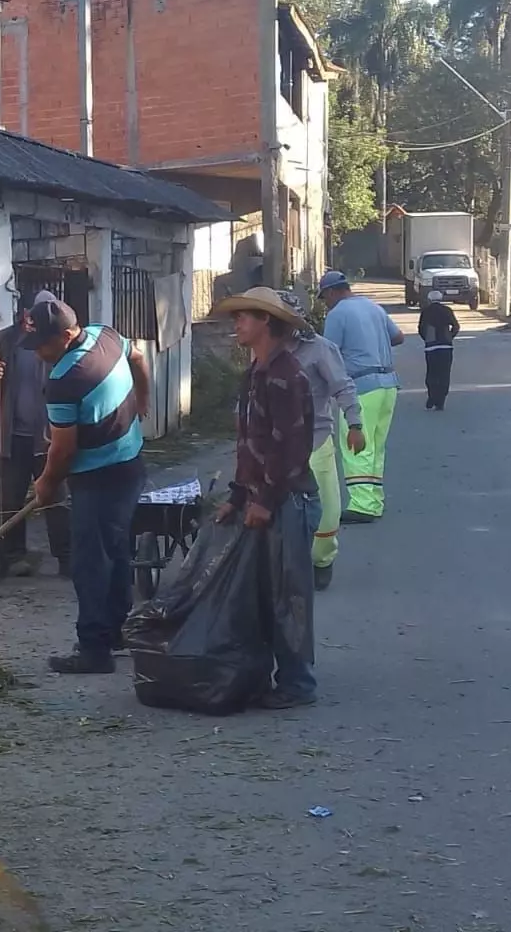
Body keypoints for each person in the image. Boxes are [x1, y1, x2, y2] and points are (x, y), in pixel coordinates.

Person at [25, 297, 152, 674]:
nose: (38, 355)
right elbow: (140, 356)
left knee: (90, 564)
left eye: (43, 346)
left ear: (66, 336)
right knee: (116, 552)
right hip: (131, 464)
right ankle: (116, 631)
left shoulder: (65, 380)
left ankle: (94, 649)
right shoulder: (105, 335)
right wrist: (143, 397)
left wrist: (46, 484)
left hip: (98, 478)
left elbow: (63, 450)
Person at [211, 287, 320, 709]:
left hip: (288, 500)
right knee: (265, 592)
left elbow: (291, 449)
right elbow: (249, 445)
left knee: (288, 594)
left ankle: (297, 683)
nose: (236, 324)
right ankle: (276, 675)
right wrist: (238, 496)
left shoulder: (285, 375)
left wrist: (265, 500)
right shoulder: (255, 371)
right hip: (265, 498)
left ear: (266, 323)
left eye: (245, 317)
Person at [0, 289, 71, 578]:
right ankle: (13, 558)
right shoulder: (3, 341)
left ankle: (67, 556)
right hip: (10, 437)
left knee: (56, 497)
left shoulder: (59, 342)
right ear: (25, 314)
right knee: (8, 501)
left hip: (50, 436)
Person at [278, 292, 365, 592]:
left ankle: (322, 560)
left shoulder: (319, 350)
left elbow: (343, 387)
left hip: (314, 442)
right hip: (274, 446)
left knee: (325, 510)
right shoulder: (264, 351)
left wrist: (355, 423)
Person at [320, 270, 404, 523]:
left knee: (355, 446)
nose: (325, 303)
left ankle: (362, 504)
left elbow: (326, 352)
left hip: (361, 387)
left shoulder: (337, 314)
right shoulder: (374, 308)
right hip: (388, 386)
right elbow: (398, 337)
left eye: (325, 297)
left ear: (333, 292)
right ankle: (374, 500)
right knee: (376, 447)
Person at [418, 290, 460, 411]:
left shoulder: (426, 312)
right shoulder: (447, 310)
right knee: (444, 373)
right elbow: (456, 326)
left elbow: (421, 328)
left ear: (429, 299)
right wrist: (449, 337)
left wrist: (427, 339)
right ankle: (441, 400)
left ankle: (432, 395)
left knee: (432, 372)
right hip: (446, 346)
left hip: (431, 347)